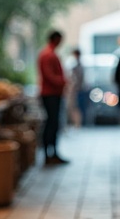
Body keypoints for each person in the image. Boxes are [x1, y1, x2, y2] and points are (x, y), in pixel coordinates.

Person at [37, 30, 68, 164]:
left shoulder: (49, 54)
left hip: (53, 93)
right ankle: (49, 154)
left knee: (53, 123)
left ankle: (52, 153)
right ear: (55, 39)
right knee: (51, 123)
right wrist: (63, 81)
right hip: (51, 94)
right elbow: (49, 76)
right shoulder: (48, 55)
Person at [67, 48, 86, 127]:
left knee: (77, 107)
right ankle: (77, 123)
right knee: (76, 107)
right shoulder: (77, 66)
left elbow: (77, 80)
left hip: (78, 90)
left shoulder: (78, 67)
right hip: (78, 89)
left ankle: (78, 124)